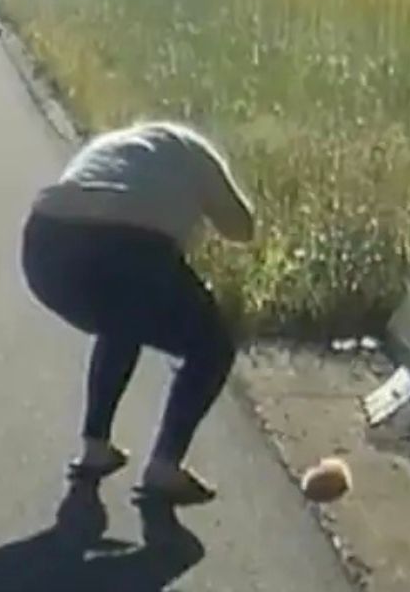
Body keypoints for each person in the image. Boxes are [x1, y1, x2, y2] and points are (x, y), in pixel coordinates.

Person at [21, 120, 255, 506]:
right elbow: (241, 228)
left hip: (44, 243)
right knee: (212, 347)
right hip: (131, 244)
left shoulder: (109, 146)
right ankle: (165, 468)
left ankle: (95, 446)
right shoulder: (196, 153)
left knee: (121, 319)